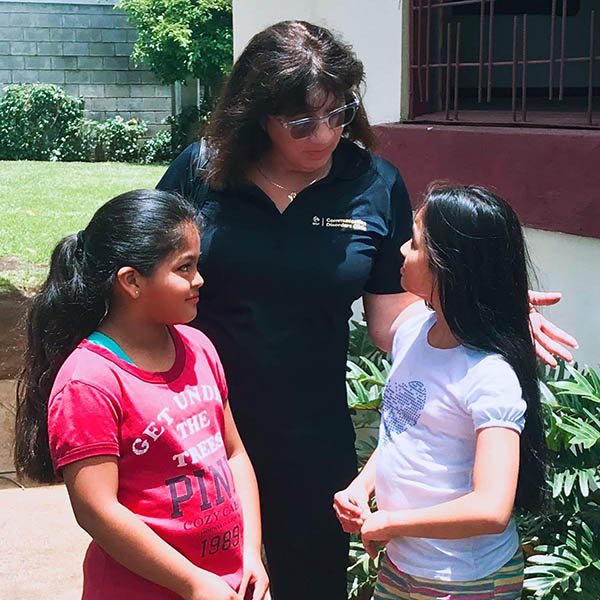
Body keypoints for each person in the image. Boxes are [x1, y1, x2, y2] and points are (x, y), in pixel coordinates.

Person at [157, 21, 576, 600]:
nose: (325, 133)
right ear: (257, 113)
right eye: (301, 119)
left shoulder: (373, 184)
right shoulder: (201, 172)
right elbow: (147, 276)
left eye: (338, 112)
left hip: (311, 432)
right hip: (201, 425)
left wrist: (483, 309)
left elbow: (393, 319)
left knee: (310, 583)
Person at [14, 190, 269, 600]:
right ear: (131, 281)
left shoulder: (199, 347)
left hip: (227, 583)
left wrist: (250, 556)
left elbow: (233, 453)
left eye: (197, 264)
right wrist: (191, 581)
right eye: (184, 268)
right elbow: (97, 510)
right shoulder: (90, 381)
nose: (199, 279)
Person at [334, 185, 547, 600]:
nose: (401, 250)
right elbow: (406, 432)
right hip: (403, 566)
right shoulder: (413, 329)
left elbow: (491, 509)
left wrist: (392, 524)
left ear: (448, 267)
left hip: (466, 581)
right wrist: (361, 487)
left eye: (414, 243)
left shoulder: (489, 375)